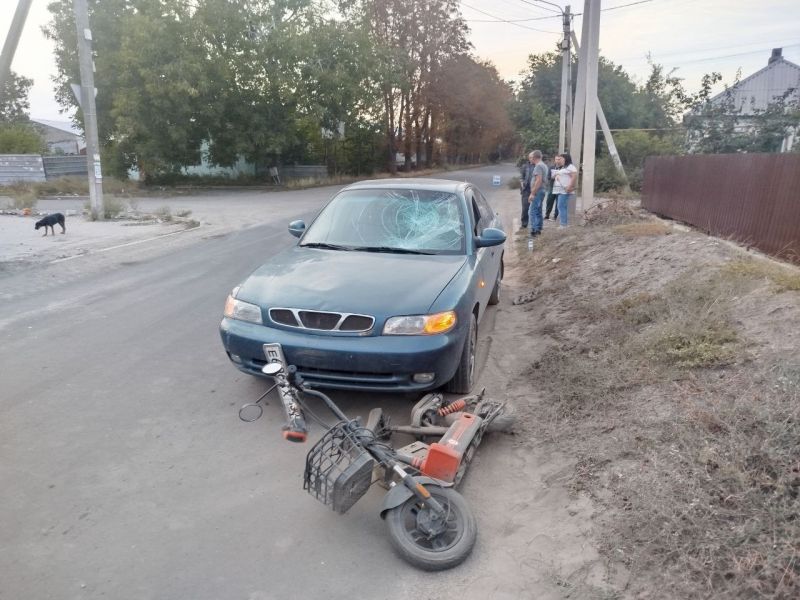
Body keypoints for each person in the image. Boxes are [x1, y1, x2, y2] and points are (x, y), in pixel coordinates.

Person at [552, 153, 578, 228]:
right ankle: (564, 223)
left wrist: (569, 187)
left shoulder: (571, 167)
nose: (560, 160)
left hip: (565, 190)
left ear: (565, 159)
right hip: (560, 189)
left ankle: (563, 224)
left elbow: (574, 177)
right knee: (562, 206)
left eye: (561, 158)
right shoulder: (564, 167)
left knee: (560, 206)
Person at [527, 150, 548, 236]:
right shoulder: (544, 165)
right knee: (538, 210)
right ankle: (539, 228)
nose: (530, 159)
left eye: (531, 157)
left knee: (532, 211)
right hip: (542, 190)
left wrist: (532, 193)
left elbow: (538, 181)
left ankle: (534, 230)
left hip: (538, 191)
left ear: (534, 157)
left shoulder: (538, 166)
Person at [519, 152, 535, 229]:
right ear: (529, 158)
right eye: (531, 157)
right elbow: (521, 177)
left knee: (536, 207)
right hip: (526, 189)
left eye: (533, 157)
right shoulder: (525, 166)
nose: (532, 159)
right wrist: (522, 183)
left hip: (535, 189)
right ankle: (524, 223)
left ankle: (534, 224)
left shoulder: (539, 166)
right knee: (525, 207)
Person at [544, 155, 560, 222]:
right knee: (549, 201)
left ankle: (555, 216)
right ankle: (547, 215)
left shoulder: (563, 168)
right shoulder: (551, 167)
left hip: (559, 187)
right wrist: (552, 177)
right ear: (554, 160)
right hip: (552, 186)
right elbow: (548, 177)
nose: (558, 161)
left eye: (559, 159)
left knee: (558, 202)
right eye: (556, 159)